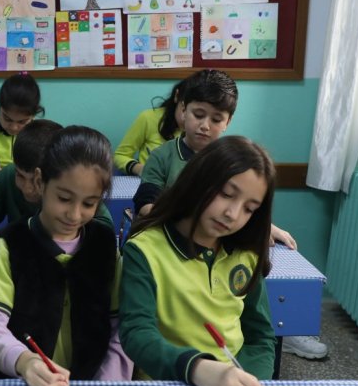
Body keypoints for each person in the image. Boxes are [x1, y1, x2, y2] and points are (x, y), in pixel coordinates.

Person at [128, 72, 318, 359]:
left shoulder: (241, 169)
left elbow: (259, 339)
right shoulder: (164, 158)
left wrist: (263, 225)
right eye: (199, 115)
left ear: (228, 122)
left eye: (216, 119)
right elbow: (146, 204)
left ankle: (290, 329)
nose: (205, 126)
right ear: (182, 110)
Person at [0, 126, 132, 386]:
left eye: (89, 203)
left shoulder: (105, 247)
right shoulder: (9, 247)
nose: (74, 214)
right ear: (40, 181)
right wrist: (24, 361)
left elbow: (121, 330)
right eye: (64, 198)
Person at [120, 137, 277, 386]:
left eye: (249, 209)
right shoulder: (146, 250)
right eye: (226, 194)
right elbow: (137, 334)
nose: (232, 213)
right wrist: (198, 369)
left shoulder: (245, 253)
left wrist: (251, 382)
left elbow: (260, 336)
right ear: (198, 180)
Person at [0, 120, 114, 246]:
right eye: (20, 176)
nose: (28, 189)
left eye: (37, 181)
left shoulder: (72, 185)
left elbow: (105, 227)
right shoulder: (8, 176)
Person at [114, 78, 185, 176]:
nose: (188, 117)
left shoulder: (206, 130)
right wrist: (141, 169)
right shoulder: (148, 118)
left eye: (214, 119)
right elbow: (120, 155)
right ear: (177, 96)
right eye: (198, 114)